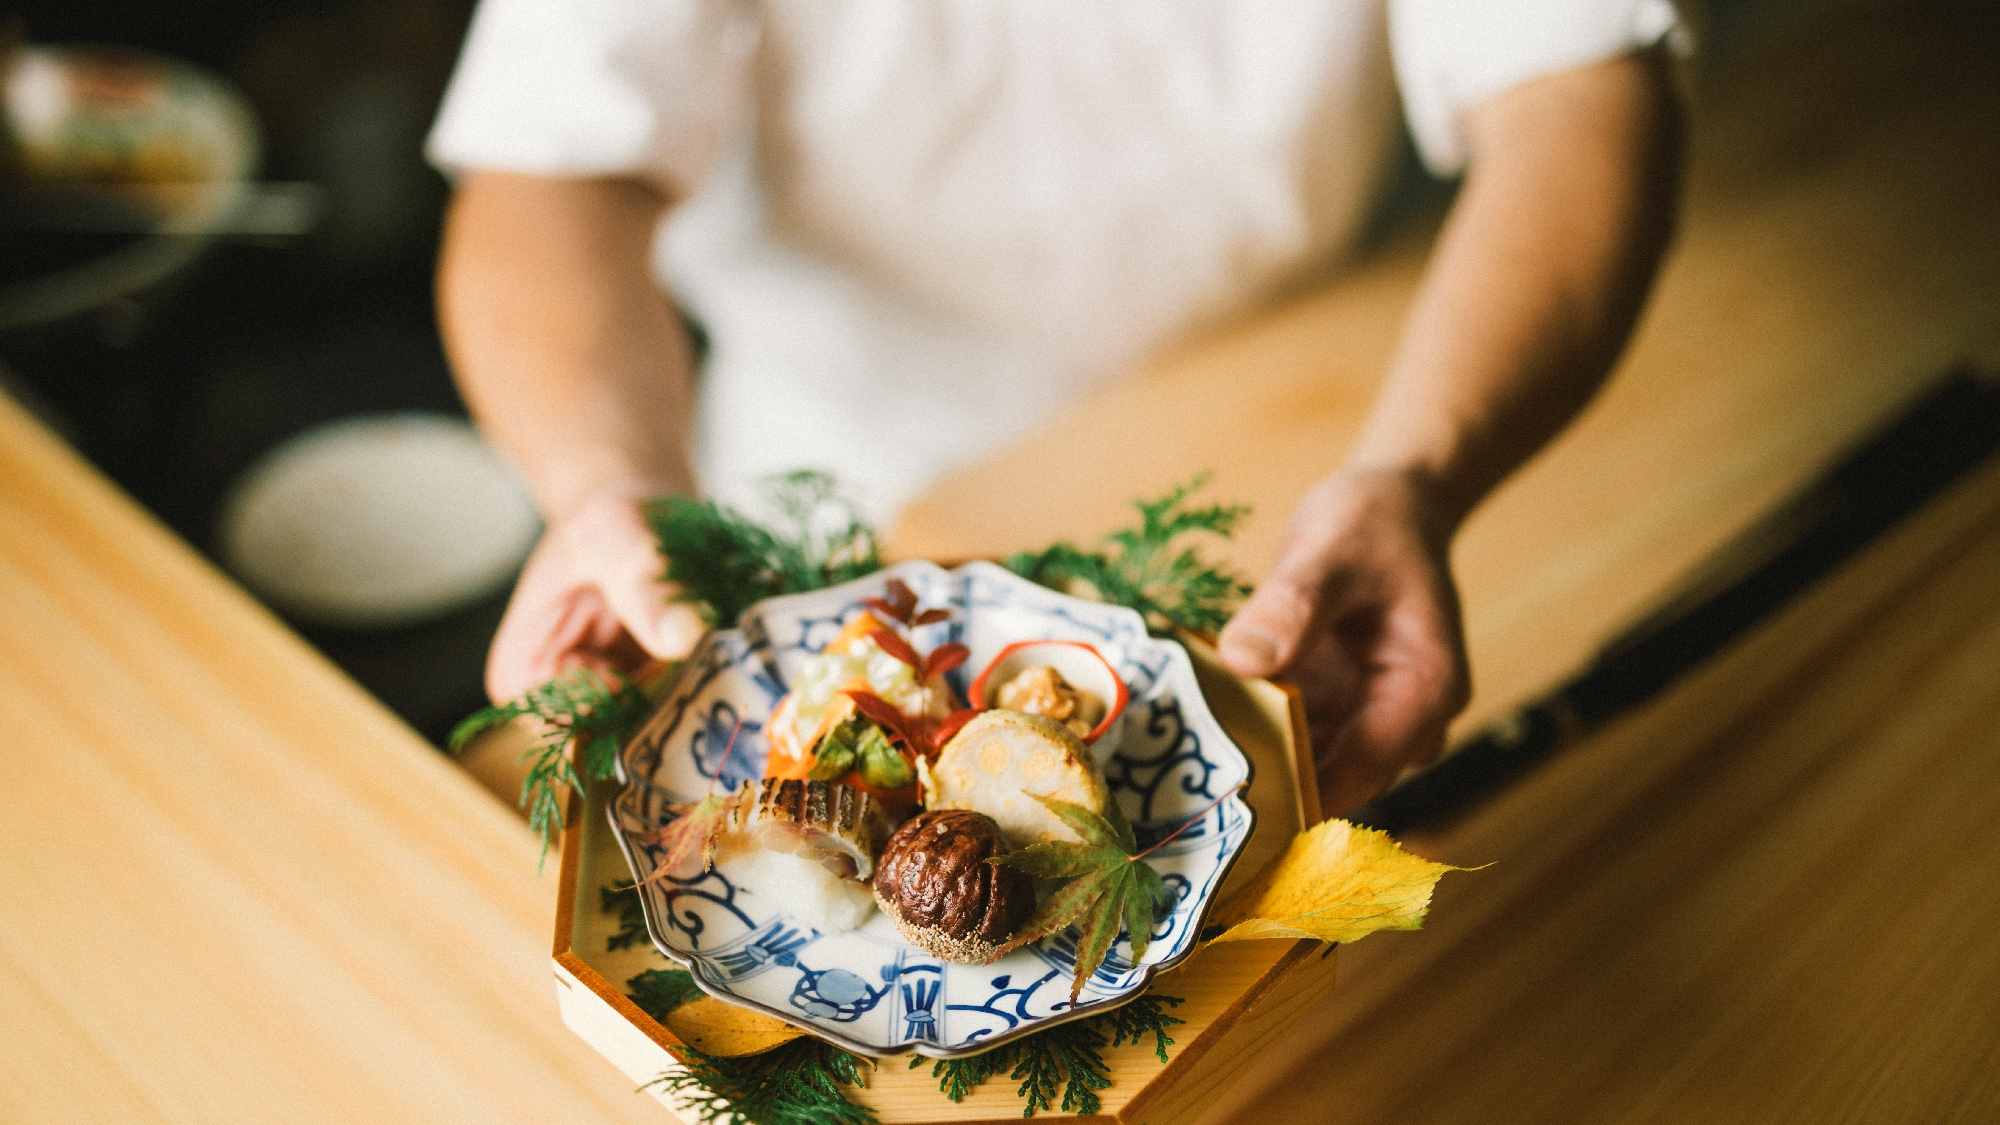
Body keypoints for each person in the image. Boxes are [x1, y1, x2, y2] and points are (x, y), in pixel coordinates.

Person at [429, 0, 1685, 816]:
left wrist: (1418, 472)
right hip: (819, 492)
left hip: (1282, 473)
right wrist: (603, 484)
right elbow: (544, 177)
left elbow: (1572, 88)